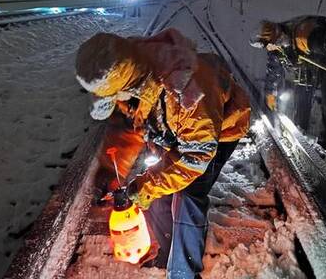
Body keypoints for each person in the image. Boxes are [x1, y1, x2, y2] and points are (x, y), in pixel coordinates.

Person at [75, 28, 250, 278]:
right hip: (175, 130)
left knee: (188, 194)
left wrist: (146, 187)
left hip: (219, 131)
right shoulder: (131, 73)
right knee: (157, 189)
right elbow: (128, 127)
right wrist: (110, 172)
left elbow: (194, 159)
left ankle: (183, 271)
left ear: (127, 85)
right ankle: (167, 251)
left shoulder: (190, 88)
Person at [250, 15, 326, 150]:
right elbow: (274, 69)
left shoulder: (304, 36)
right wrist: (270, 93)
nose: (268, 49)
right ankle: (300, 126)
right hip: (310, 51)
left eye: (267, 45)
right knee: (303, 83)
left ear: (276, 37)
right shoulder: (276, 46)